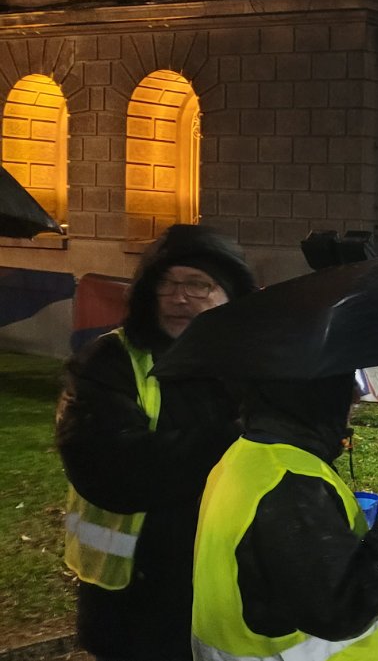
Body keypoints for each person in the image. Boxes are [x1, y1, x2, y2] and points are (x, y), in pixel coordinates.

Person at [55, 224, 256, 661]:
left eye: (197, 284)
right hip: (137, 603)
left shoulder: (251, 364)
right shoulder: (108, 362)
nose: (178, 297)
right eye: (166, 283)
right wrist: (238, 435)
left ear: (230, 295)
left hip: (229, 589)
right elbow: (113, 470)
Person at [191, 375, 378, 661]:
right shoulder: (291, 483)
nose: (355, 398)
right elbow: (340, 609)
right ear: (314, 393)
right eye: (344, 384)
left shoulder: (250, 455)